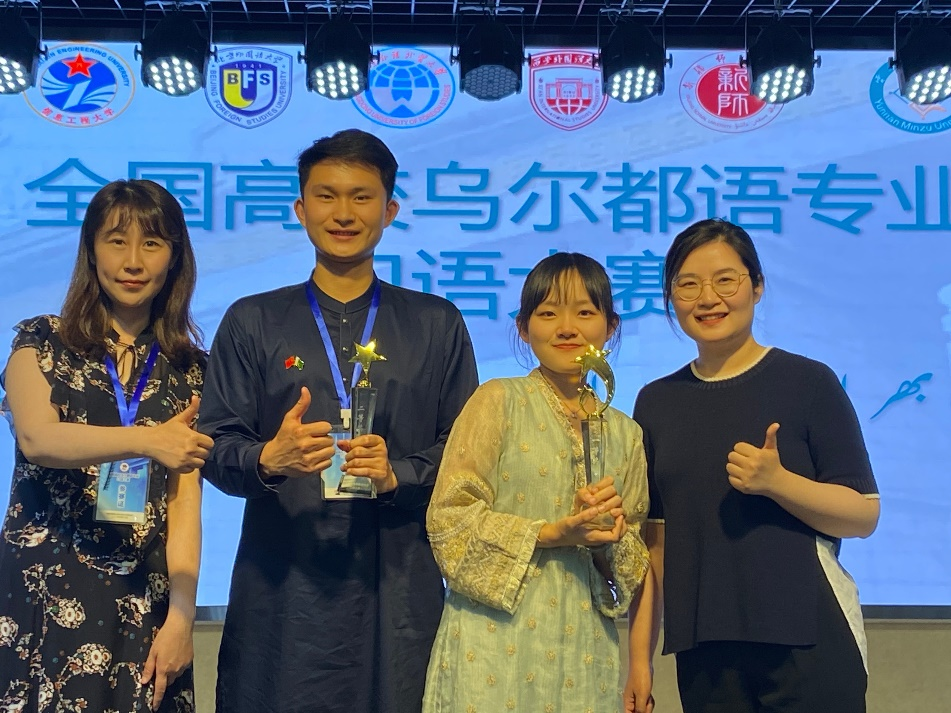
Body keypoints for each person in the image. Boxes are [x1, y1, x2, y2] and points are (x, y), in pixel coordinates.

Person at [198, 128, 479, 713]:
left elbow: (467, 451)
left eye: (361, 196)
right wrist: (266, 459)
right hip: (283, 589)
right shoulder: (253, 321)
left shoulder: (436, 323)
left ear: (389, 210)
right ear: (301, 209)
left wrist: (398, 473)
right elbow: (215, 444)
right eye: (326, 196)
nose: (343, 213)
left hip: (398, 587)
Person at [626, 218, 880, 713]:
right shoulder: (656, 402)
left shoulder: (808, 383)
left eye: (726, 280)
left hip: (808, 638)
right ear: (671, 298)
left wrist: (778, 482)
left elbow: (863, 514)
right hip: (706, 651)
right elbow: (654, 546)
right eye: (688, 284)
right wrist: (639, 659)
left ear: (757, 286)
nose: (708, 298)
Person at [0, 179, 212, 712]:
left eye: (152, 244)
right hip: (41, 595)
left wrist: (182, 615)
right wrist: (149, 439)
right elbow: (38, 438)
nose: (133, 261)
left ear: (174, 258)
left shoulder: (192, 370)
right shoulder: (41, 340)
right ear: (92, 251)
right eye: (117, 241)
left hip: (144, 603)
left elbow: (185, 503)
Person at [422, 252, 654, 713]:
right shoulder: (496, 400)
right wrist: (550, 533)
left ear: (611, 327)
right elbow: (449, 522)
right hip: (490, 647)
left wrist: (610, 539)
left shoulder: (626, 434)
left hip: (585, 649)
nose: (567, 328)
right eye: (548, 314)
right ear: (523, 328)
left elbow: (629, 570)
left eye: (584, 312)